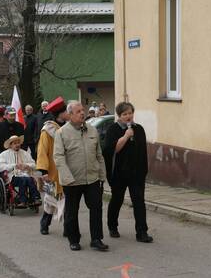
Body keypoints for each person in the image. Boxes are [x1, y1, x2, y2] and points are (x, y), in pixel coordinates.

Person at [54, 101, 108, 252]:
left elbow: (99, 155)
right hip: (72, 180)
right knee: (72, 211)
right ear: (70, 115)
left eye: (82, 110)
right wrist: (67, 177)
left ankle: (96, 239)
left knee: (96, 208)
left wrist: (102, 175)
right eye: (78, 111)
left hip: (92, 178)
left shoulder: (92, 130)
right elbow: (58, 157)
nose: (82, 113)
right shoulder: (62, 133)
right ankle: (74, 239)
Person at [103, 102, 153, 243]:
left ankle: (142, 232)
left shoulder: (139, 129)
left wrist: (144, 170)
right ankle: (112, 226)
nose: (128, 116)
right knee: (117, 200)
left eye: (130, 113)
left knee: (139, 202)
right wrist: (125, 136)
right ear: (119, 116)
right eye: (125, 114)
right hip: (119, 173)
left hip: (136, 173)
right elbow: (111, 150)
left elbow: (143, 152)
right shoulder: (113, 129)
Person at [36, 97, 69, 235]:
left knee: (67, 201)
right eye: (66, 111)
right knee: (50, 200)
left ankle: (68, 228)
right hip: (53, 172)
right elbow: (42, 151)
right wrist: (43, 170)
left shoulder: (68, 127)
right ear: (61, 114)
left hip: (67, 170)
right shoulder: (47, 131)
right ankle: (45, 224)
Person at [0, 135, 41, 207]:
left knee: (30, 179)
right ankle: (22, 200)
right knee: (23, 180)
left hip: (25, 174)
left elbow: (34, 164)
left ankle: (35, 198)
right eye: (15, 143)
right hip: (12, 176)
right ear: (10, 145)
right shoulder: (4, 154)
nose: (17, 145)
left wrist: (27, 165)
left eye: (18, 143)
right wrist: (14, 165)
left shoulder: (25, 153)